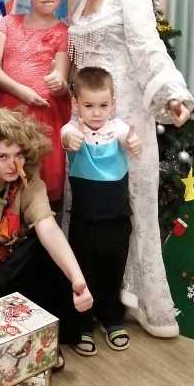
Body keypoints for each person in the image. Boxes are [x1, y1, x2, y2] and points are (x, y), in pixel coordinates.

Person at [53, 0, 194, 338]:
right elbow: (75, 60)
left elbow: (148, 48)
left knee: (136, 203)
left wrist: (172, 94)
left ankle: (145, 302)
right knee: (90, 208)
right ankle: (93, 297)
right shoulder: (80, 1)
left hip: (127, 111)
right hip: (86, 114)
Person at [0, 108, 93, 357]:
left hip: (8, 264)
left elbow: (48, 227)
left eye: (18, 155)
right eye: (2, 156)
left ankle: (48, 338)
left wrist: (78, 280)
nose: (13, 164)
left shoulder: (28, 178)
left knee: (47, 247)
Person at [61, 67, 142, 355]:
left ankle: (111, 318)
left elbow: (128, 136)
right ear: (76, 104)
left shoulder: (117, 128)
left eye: (103, 105)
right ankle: (83, 323)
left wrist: (132, 141)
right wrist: (68, 140)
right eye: (89, 105)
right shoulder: (73, 130)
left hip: (116, 218)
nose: (96, 113)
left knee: (112, 269)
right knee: (84, 269)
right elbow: (66, 136)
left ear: (113, 103)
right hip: (84, 220)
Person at [0, 0, 70, 205]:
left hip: (46, 116)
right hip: (8, 112)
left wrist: (58, 82)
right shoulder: (9, 23)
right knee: (6, 174)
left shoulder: (64, 32)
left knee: (41, 180)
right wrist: (20, 90)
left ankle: (41, 224)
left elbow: (61, 79)